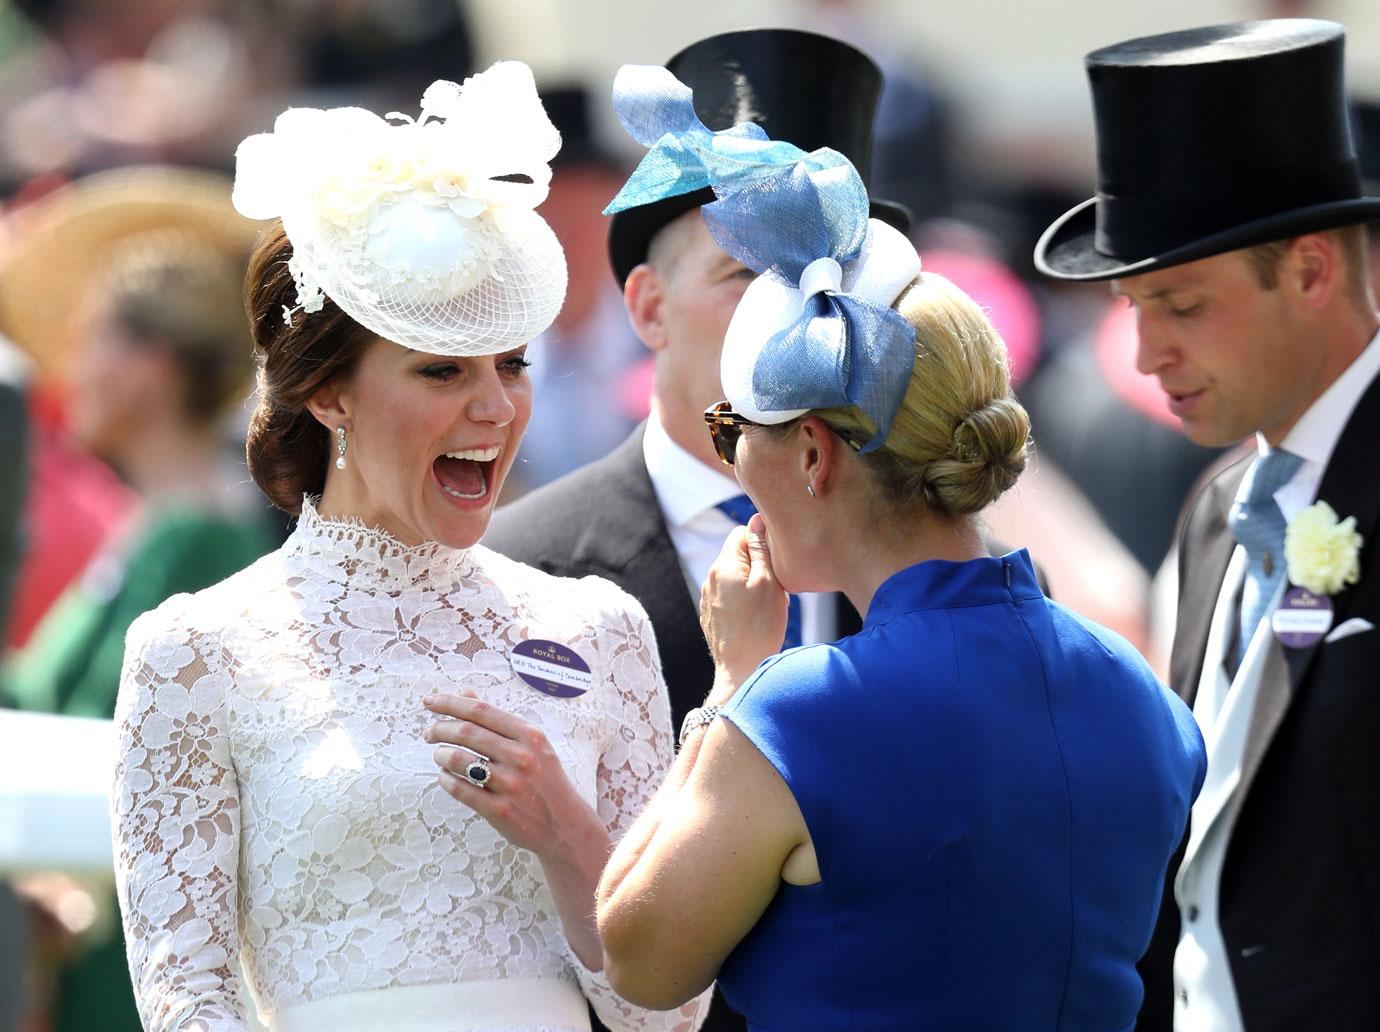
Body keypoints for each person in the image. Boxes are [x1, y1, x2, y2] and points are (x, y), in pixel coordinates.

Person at [593, 72, 1206, 1032]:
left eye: (731, 432)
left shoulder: (798, 711)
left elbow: (636, 957)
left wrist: (727, 686)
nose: (731, 465)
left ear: (810, 453)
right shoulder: (1139, 692)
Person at [110, 63, 708, 1032]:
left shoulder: (599, 626)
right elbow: (187, 996)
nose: (496, 406)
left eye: (511, 364)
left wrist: (567, 836)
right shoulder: (197, 651)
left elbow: (669, 1012)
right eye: (442, 370)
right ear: (329, 394)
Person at [1034, 19, 1380, 1032]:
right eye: (1134, 305)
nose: (1146, 353)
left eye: (1181, 306)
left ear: (1312, 270)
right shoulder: (1218, 511)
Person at [484, 23, 908, 775]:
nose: (800, 309)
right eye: (745, 274)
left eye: (830, 271)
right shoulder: (521, 574)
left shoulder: (947, 569)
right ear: (649, 308)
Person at [1, 167, 277, 1032]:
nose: (69, 370)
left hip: (135, 955)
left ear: (151, 367)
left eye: (92, 342)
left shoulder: (202, 541)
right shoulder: (149, 526)